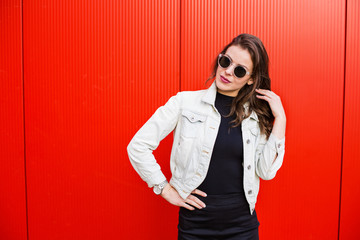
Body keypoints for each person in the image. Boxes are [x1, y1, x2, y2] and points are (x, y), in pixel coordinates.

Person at [127, 33, 286, 240]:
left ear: (251, 80)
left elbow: (265, 172)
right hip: (195, 225)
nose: (227, 72)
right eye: (225, 61)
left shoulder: (255, 117)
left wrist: (280, 118)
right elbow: (138, 146)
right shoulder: (184, 103)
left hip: (242, 226)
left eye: (239, 71)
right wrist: (163, 188)